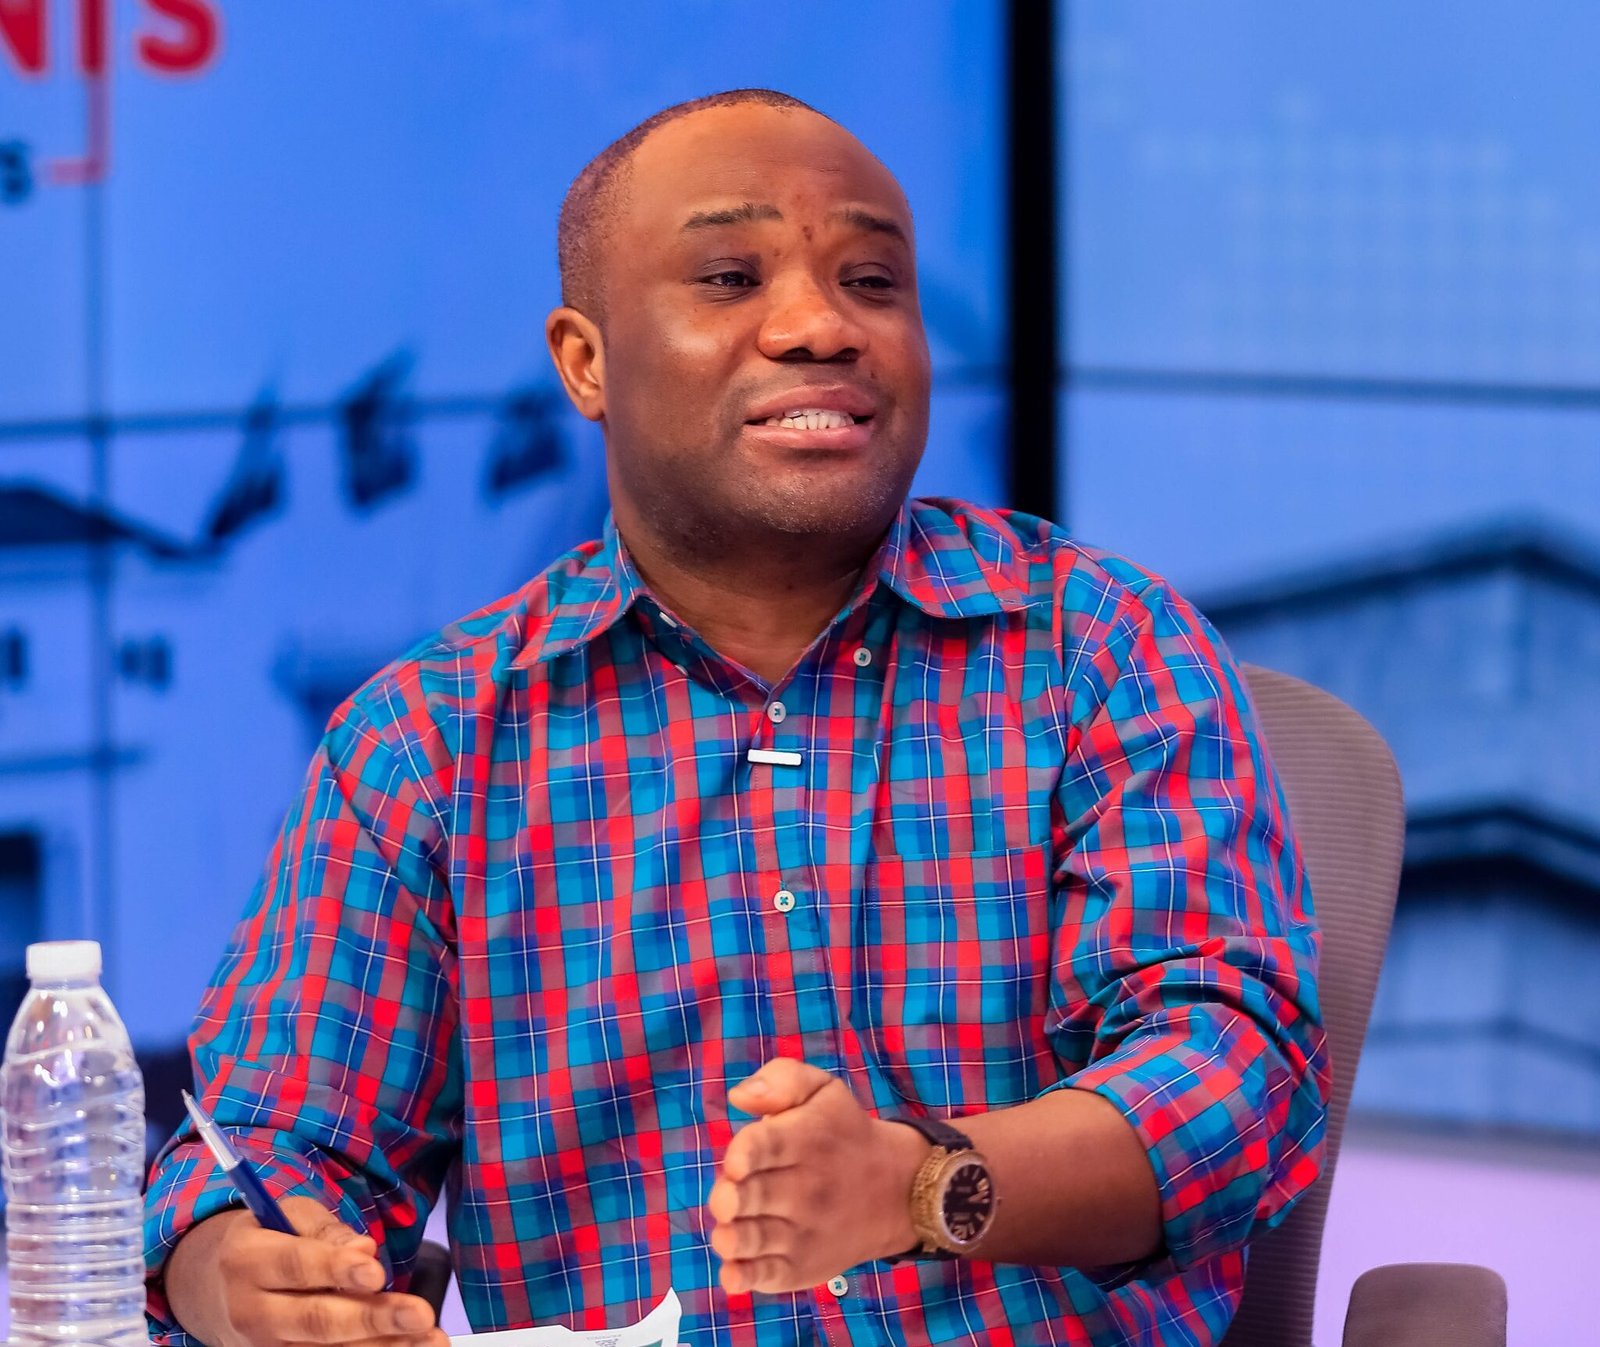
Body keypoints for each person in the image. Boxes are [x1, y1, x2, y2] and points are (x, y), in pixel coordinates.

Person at [143, 89, 1328, 1347]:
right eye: (728, 276)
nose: (821, 326)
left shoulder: (1100, 647)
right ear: (585, 361)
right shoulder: (429, 743)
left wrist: (918, 1186)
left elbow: (1235, 1077)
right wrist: (235, 1275)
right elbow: (271, 1144)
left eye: (872, 281)